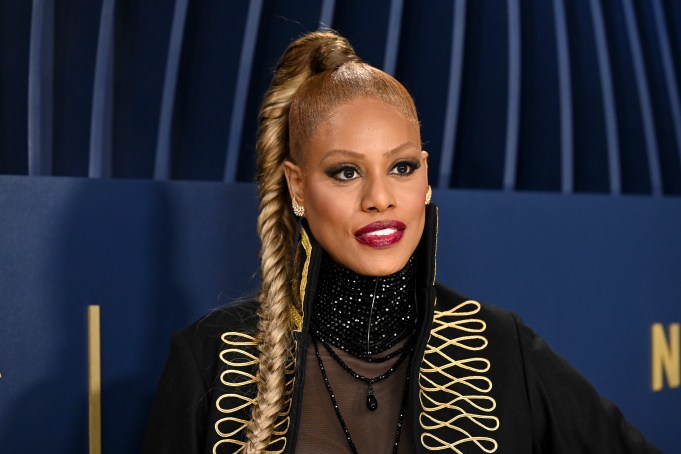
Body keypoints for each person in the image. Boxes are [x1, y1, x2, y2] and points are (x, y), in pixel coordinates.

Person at [143, 31, 661, 453]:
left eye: (401, 167)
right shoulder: (210, 359)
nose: (380, 198)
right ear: (297, 186)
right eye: (346, 172)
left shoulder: (501, 347)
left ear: (426, 176)